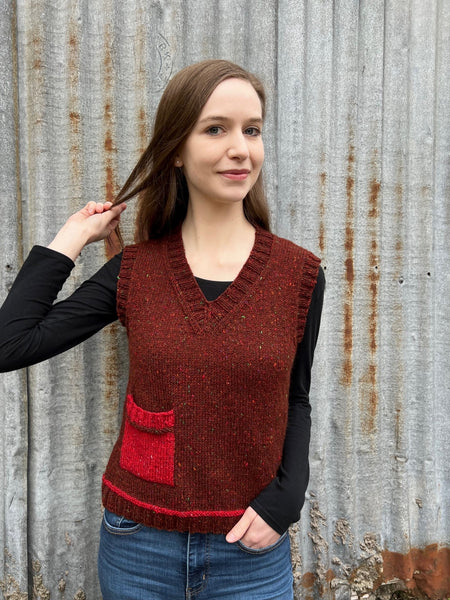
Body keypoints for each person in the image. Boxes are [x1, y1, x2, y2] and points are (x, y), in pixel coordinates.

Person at [0, 59, 324, 600]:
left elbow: (297, 398)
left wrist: (286, 501)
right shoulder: (136, 272)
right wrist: (72, 237)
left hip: (250, 550)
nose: (240, 149)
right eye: (215, 129)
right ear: (176, 149)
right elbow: (9, 344)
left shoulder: (299, 274)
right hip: (139, 545)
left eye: (252, 130)